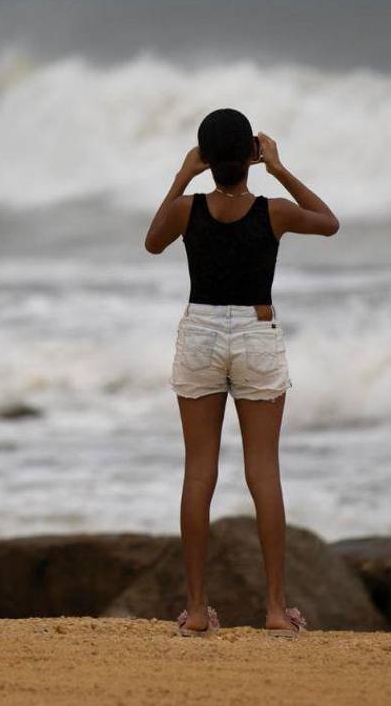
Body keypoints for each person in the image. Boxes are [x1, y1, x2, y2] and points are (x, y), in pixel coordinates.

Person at [144, 108, 340, 637]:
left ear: (206, 158)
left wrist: (183, 176)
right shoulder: (273, 212)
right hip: (256, 333)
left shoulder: (188, 209)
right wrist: (279, 168)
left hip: (201, 332)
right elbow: (328, 221)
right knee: (264, 472)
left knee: (199, 471)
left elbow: (152, 241)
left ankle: (196, 610)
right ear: (251, 155)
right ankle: (275, 610)